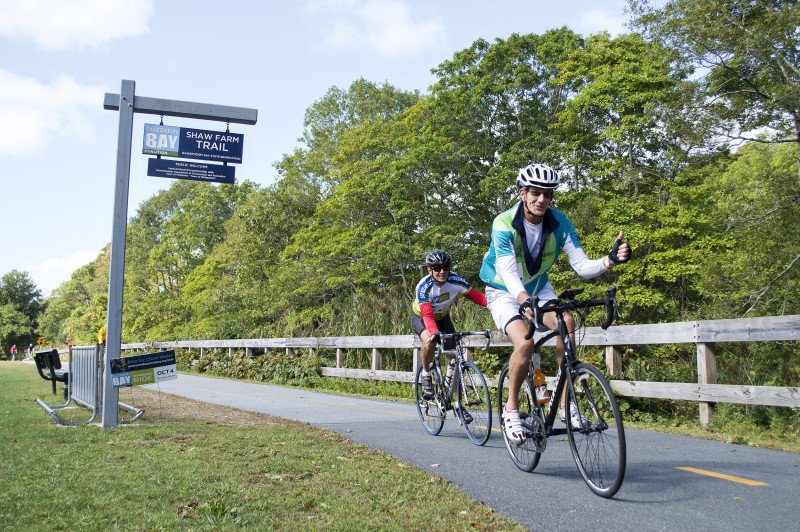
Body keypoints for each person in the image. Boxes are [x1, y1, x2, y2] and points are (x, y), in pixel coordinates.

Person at [480, 163, 630, 443]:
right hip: (502, 289)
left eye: (547, 195)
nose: (541, 200)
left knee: (568, 323)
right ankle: (511, 409)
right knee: (524, 344)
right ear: (523, 193)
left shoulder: (560, 222)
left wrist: (609, 261)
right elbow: (510, 272)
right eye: (535, 193)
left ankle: (566, 404)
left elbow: (582, 266)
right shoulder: (503, 223)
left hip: (538, 285)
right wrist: (524, 301)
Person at [412, 250, 488, 422]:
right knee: (429, 342)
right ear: (429, 270)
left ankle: (457, 404)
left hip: (443, 318)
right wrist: (434, 333)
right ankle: (425, 373)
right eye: (437, 268)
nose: (442, 271)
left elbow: (478, 297)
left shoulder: (455, 280)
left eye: (445, 267)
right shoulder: (424, 287)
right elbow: (428, 316)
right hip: (423, 318)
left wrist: (500, 306)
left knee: (455, 359)